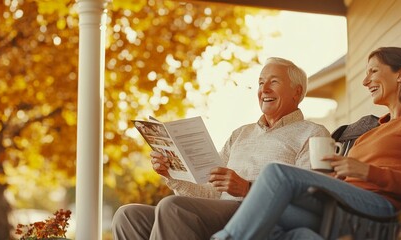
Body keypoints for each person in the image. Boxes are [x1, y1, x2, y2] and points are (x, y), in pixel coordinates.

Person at [211, 47, 401, 240]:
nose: (365, 81)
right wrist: (333, 177)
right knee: (277, 224)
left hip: (377, 212)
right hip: (342, 207)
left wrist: (367, 172)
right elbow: (347, 180)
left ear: (400, 73)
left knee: (277, 174)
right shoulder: (373, 131)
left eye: (373, 72)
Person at [111, 57, 330, 240]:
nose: (263, 89)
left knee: (174, 208)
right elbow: (210, 192)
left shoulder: (312, 134)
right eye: (260, 82)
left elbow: (310, 198)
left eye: (273, 82)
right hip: (219, 214)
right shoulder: (240, 134)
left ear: (296, 91)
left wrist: (247, 189)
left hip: (256, 217)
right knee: (128, 215)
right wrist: (172, 175)